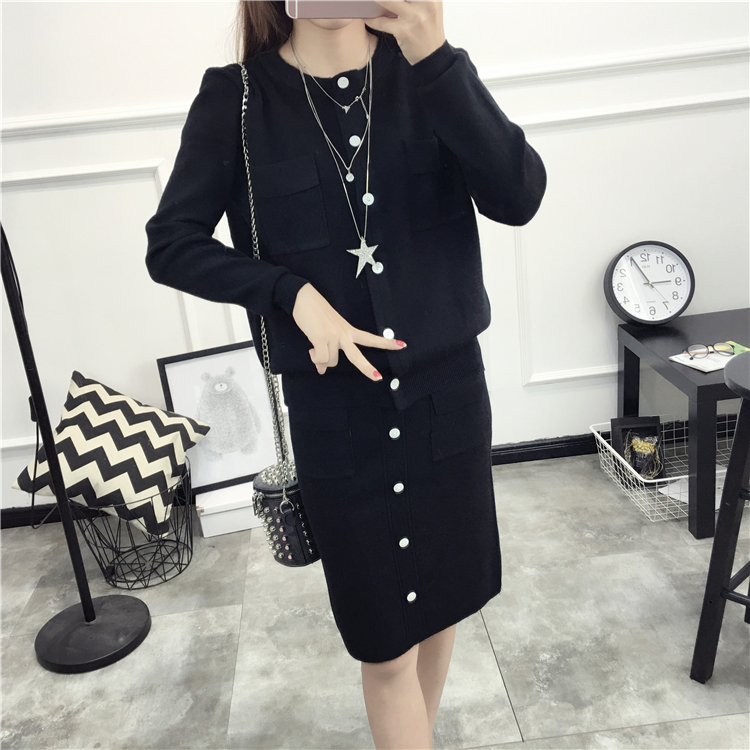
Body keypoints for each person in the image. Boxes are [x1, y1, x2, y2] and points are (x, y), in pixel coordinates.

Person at [145, 1, 546, 747]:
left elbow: (519, 197)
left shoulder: (427, 74)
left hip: (448, 401)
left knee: (443, 608)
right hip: (338, 422)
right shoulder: (237, 100)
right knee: (384, 648)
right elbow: (170, 243)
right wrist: (288, 293)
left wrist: (438, 58)